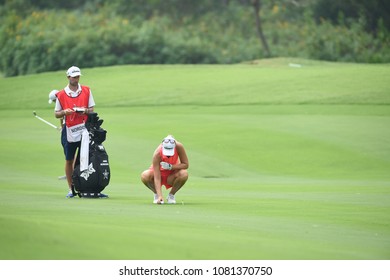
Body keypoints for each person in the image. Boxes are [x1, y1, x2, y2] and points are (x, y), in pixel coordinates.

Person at [54, 66, 108, 198]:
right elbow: (56, 114)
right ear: (68, 77)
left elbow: (91, 109)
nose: (76, 79)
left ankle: (91, 187)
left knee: (89, 158)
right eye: (74, 76)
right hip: (69, 130)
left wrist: (84, 110)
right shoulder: (61, 94)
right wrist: (64, 112)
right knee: (69, 159)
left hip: (85, 129)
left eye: (78, 76)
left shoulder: (86, 90)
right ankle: (71, 189)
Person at [141, 135, 189, 204]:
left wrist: (171, 167)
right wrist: (160, 195)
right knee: (145, 175)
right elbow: (157, 177)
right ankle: (157, 195)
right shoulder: (157, 153)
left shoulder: (179, 146)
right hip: (159, 174)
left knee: (184, 174)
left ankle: (171, 195)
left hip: (172, 175)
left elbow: (186, 164)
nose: (168, 155)